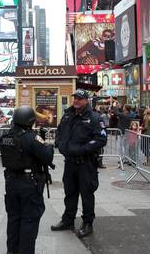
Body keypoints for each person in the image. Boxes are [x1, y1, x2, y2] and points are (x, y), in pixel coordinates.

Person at [51, 89, 107, 238]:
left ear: (86, 100)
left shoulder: (95, 117)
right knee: (70, 193)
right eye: (74, 97)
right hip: (70, 162)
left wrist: (82, 149)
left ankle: (88, 223)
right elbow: (60, 131)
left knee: (87, 194)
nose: (76, 100)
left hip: (86, 163)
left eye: (79, 98)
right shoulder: (68, 114)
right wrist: (60, 144)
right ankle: (68, 220)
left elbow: (101, 139)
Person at [0, 106, 54, 254]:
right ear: (30, 121)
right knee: (29, 221)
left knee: (14, 219)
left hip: (11, 182)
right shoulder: (31, 138)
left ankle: (12, 251)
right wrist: (47, 145)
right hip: (28, 184)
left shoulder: (6, 137)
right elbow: (47, 156)